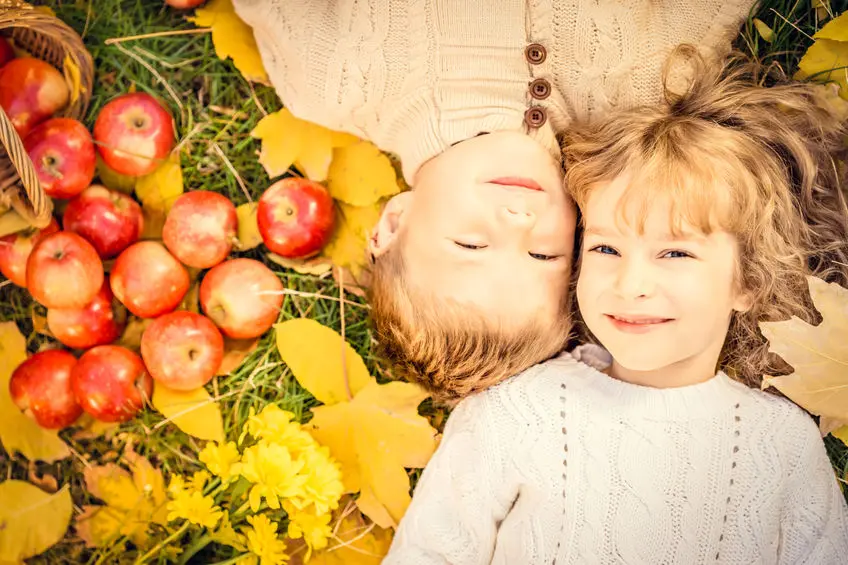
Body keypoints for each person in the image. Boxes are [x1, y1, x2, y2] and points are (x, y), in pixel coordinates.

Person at [381, 47, 848, 564]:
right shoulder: (514, 412)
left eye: (675, 252)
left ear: (748, 282)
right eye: (606, 248)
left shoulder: (782, 445)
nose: (631, 284)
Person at [232, 0, 758, 402]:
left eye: (471, 242)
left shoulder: (332, 80)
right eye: (544, 255)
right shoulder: (652, 84)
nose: (519, 220)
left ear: (394, 221)